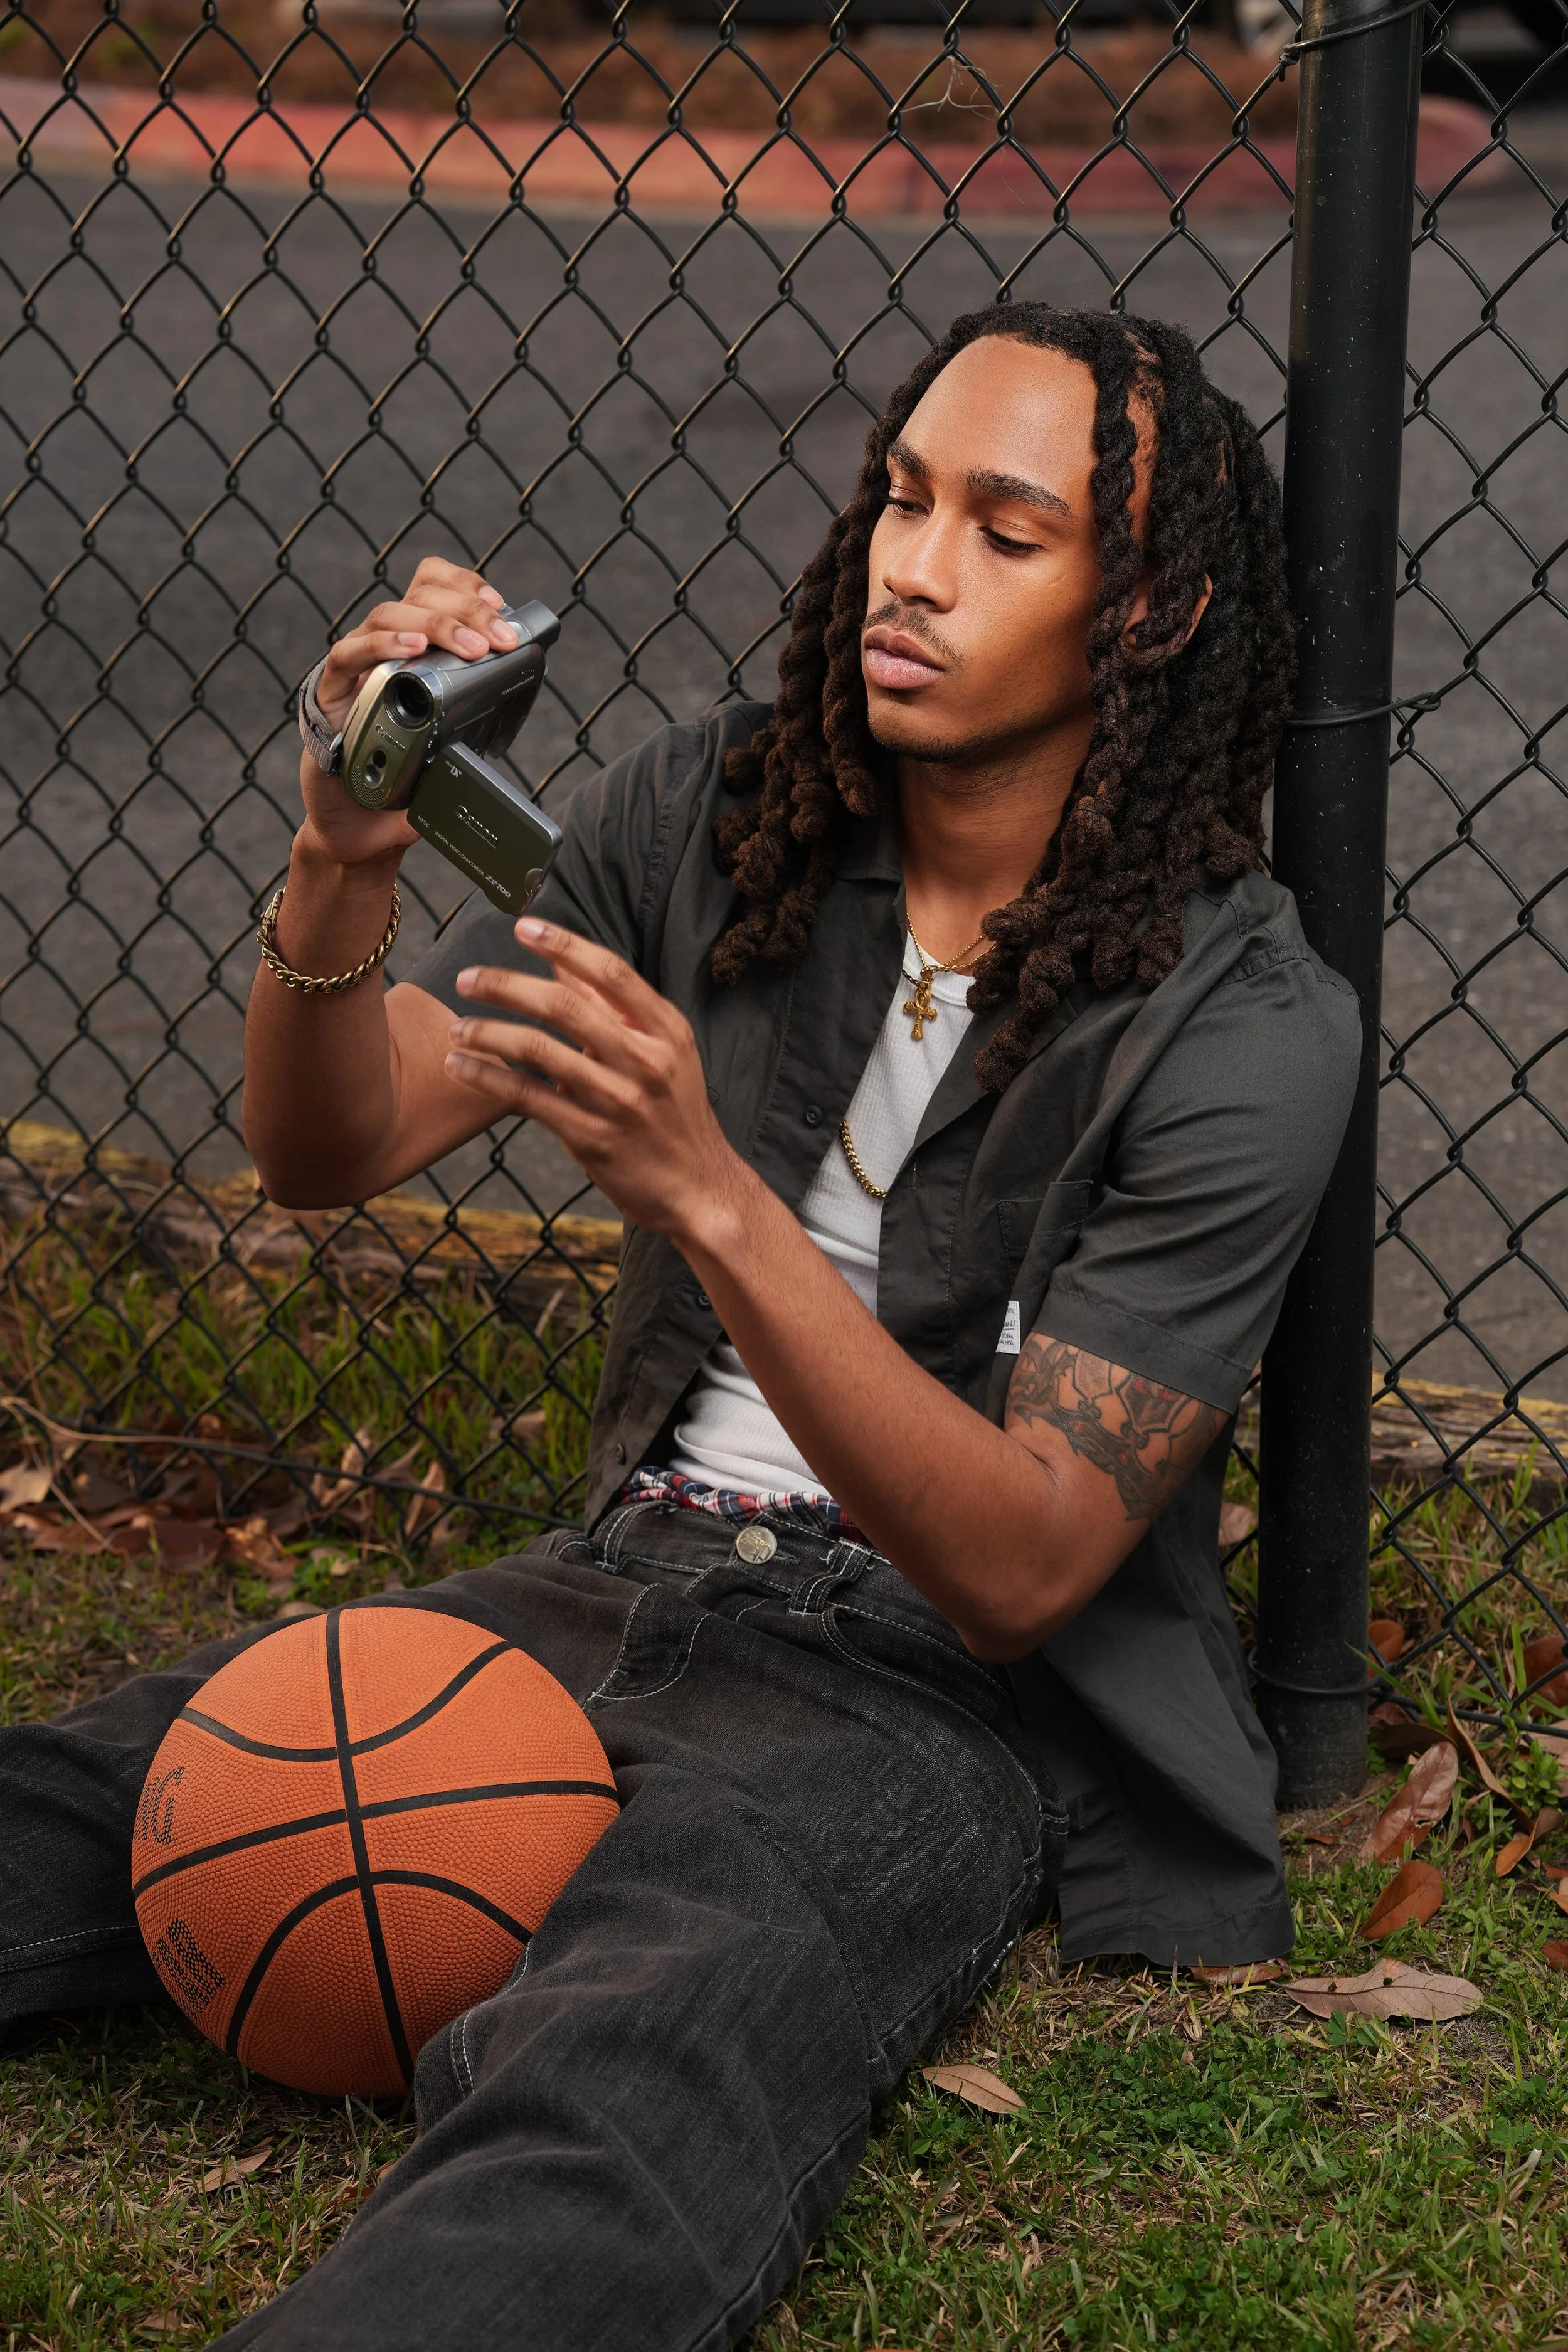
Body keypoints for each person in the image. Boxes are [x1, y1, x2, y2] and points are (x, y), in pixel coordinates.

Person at [1, 302, 1359, 2350]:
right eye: (902, 497)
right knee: (105, 1789)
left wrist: (711, 1192)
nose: (911, 565)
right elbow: (329, 1146)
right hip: (617, 1566)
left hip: (919, 1694)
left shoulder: (1245, 1024)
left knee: (636, 2065)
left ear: (1147, 614)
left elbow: (1016, 1565)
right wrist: (336, 854)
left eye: (1006, 532)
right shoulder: (727, 811)